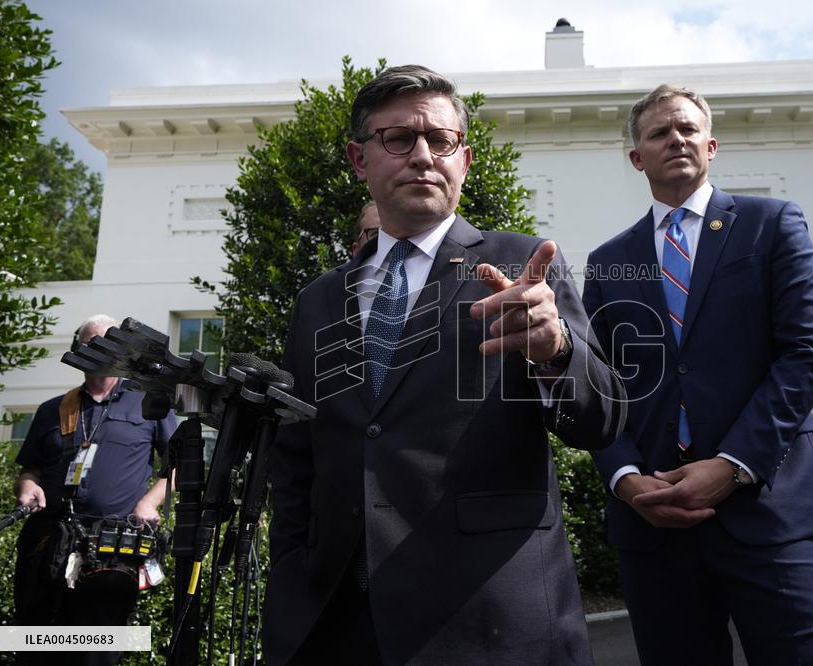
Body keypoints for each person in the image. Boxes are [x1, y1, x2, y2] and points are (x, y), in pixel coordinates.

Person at [264, 65, 625, 665]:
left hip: (489, 617)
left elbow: (603, 420)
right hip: (341, 623)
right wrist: (290, 578)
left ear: (465, 158)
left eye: (441, 140)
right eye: (398, 139)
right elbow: (298, 456)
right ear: (360, 159)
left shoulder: (523, 263)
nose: (423, 156)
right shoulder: (318, 301)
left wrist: (554, 349)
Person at [582, 84, 813, 665]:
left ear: (711, 145)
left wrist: (733, 466)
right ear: (636, 157)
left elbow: (806, 353)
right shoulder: (607, 262)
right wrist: (624, 477)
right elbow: (597, 386)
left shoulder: (771, 224)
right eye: (658, 133)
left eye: (687, 129)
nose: (675, 139)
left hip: (767, 517)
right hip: (653, 525)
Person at [13, 314, 177, 666]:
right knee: (36, 646)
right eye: (90, 344)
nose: (98, 351)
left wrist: (150, 502)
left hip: (113, 550)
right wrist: (27, 488)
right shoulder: (51, 409)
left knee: (97, 652)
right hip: (49, 545)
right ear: (77, 349)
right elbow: (30, 469)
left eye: (107, 343)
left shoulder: (149, 402)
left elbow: (176, 466)